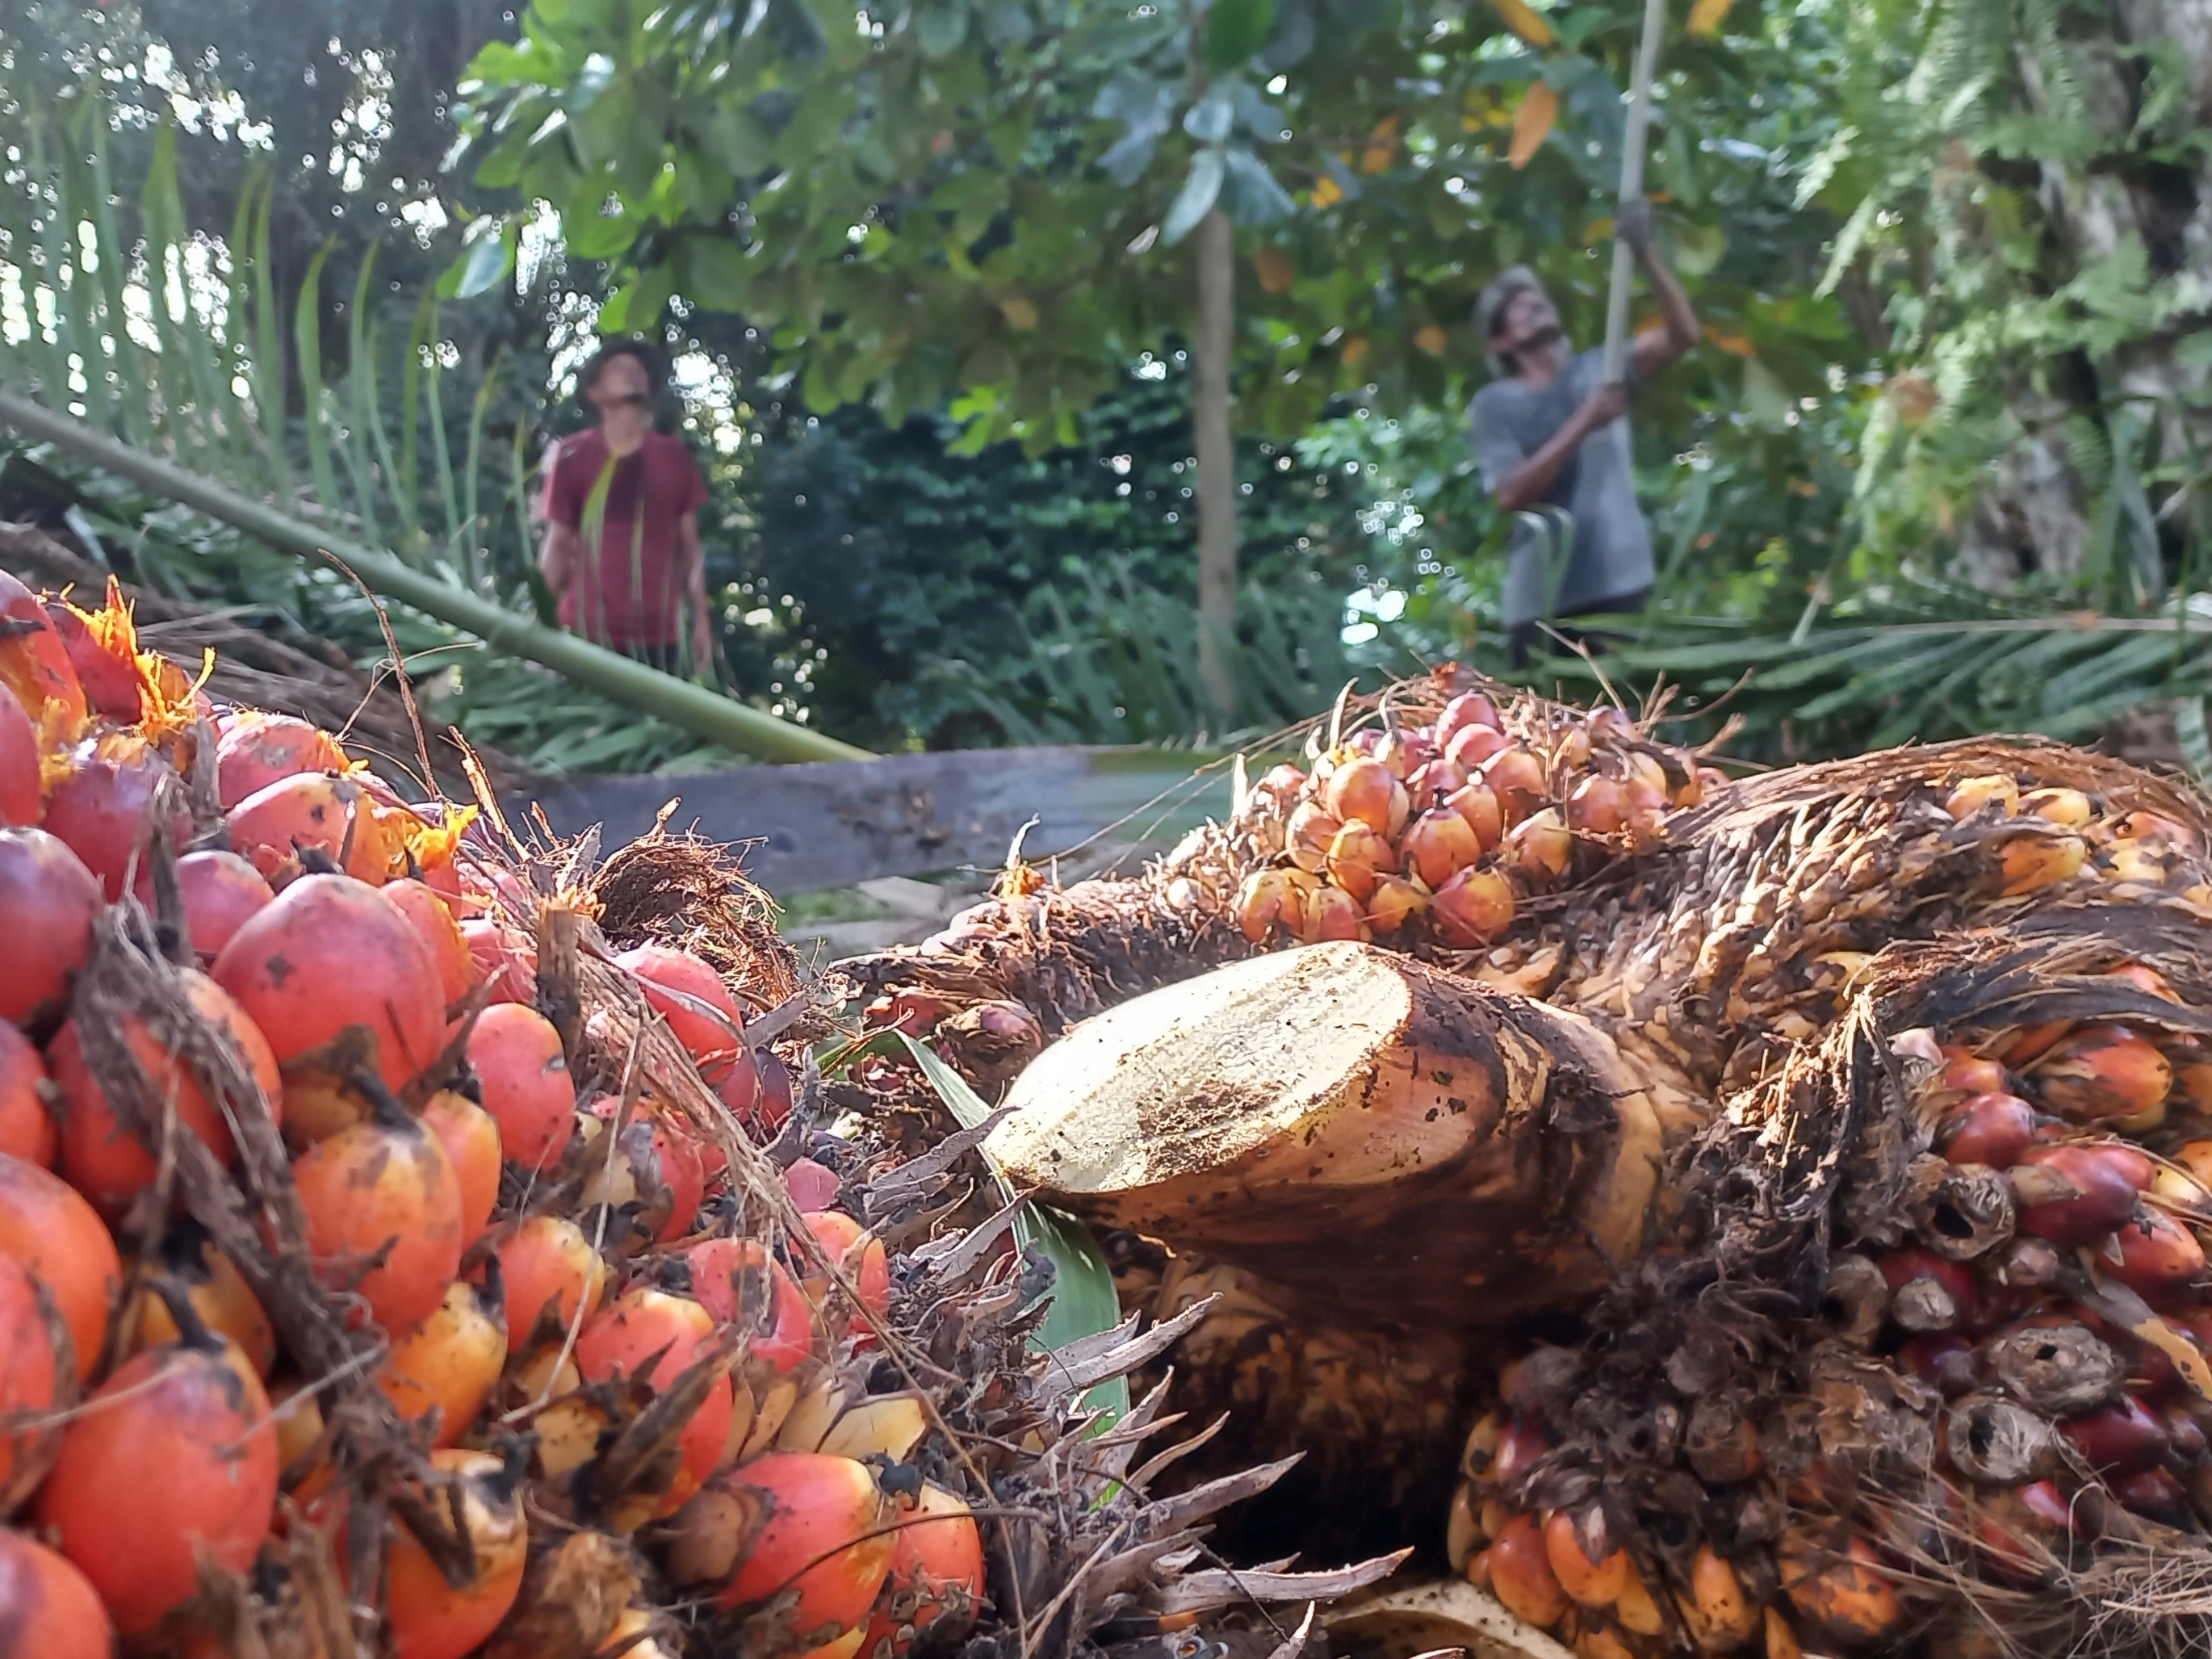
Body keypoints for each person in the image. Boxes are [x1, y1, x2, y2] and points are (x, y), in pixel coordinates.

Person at [1469, 198, 1699, 667]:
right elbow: (1510, 493)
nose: (1531, 304)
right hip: (1542, 597)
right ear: (1501, 342)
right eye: (1515, 308)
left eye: (1536, 298)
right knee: (1539, 734)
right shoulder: (1495, 404)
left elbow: (1682, 335)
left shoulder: (1602, 367)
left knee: (1619, 728)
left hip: (1619, 579)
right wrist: (1584, 422)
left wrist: (1645, 253)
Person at [538, 338, 714, 675]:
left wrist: (702, 621)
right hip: (584, 630)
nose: (633, 375)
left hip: (658, 636)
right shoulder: (573, 455)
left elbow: (690, 548)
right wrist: (540, 622)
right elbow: (557, 544)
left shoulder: (674, 457)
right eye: (620, 370)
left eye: (639, 371)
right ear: (595, 392)